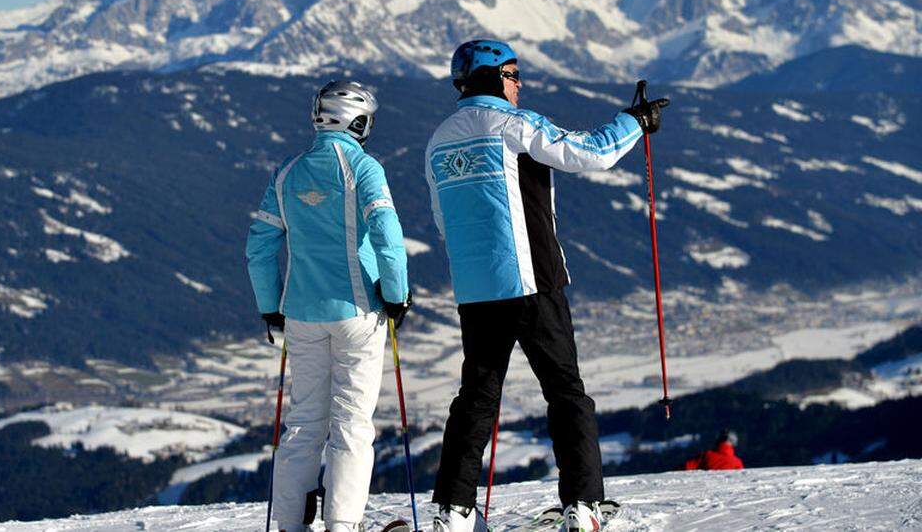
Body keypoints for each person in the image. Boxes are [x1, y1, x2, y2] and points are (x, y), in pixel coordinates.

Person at [425, 40, 669, 532]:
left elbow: (442, 220)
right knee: (565, 393)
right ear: (494, 78)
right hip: (532, 280)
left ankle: (454, 511)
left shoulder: (438, 142)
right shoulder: (514, 125)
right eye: (513, 74)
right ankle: (582, 505)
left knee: (475, 398)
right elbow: (588, 154)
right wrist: (634, 122)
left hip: (475, 290)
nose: (519, 84)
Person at [246, 80, 411, 532]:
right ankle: (342, 525)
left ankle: (289, 524)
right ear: (356, 120)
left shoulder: (287, 172)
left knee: (303, 423)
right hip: (359, 311)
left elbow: (259, 247)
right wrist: (397, 297)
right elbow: (388, 238)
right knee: (352, 425)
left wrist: (270, 308)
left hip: (299, 311)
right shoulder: (364, 168)